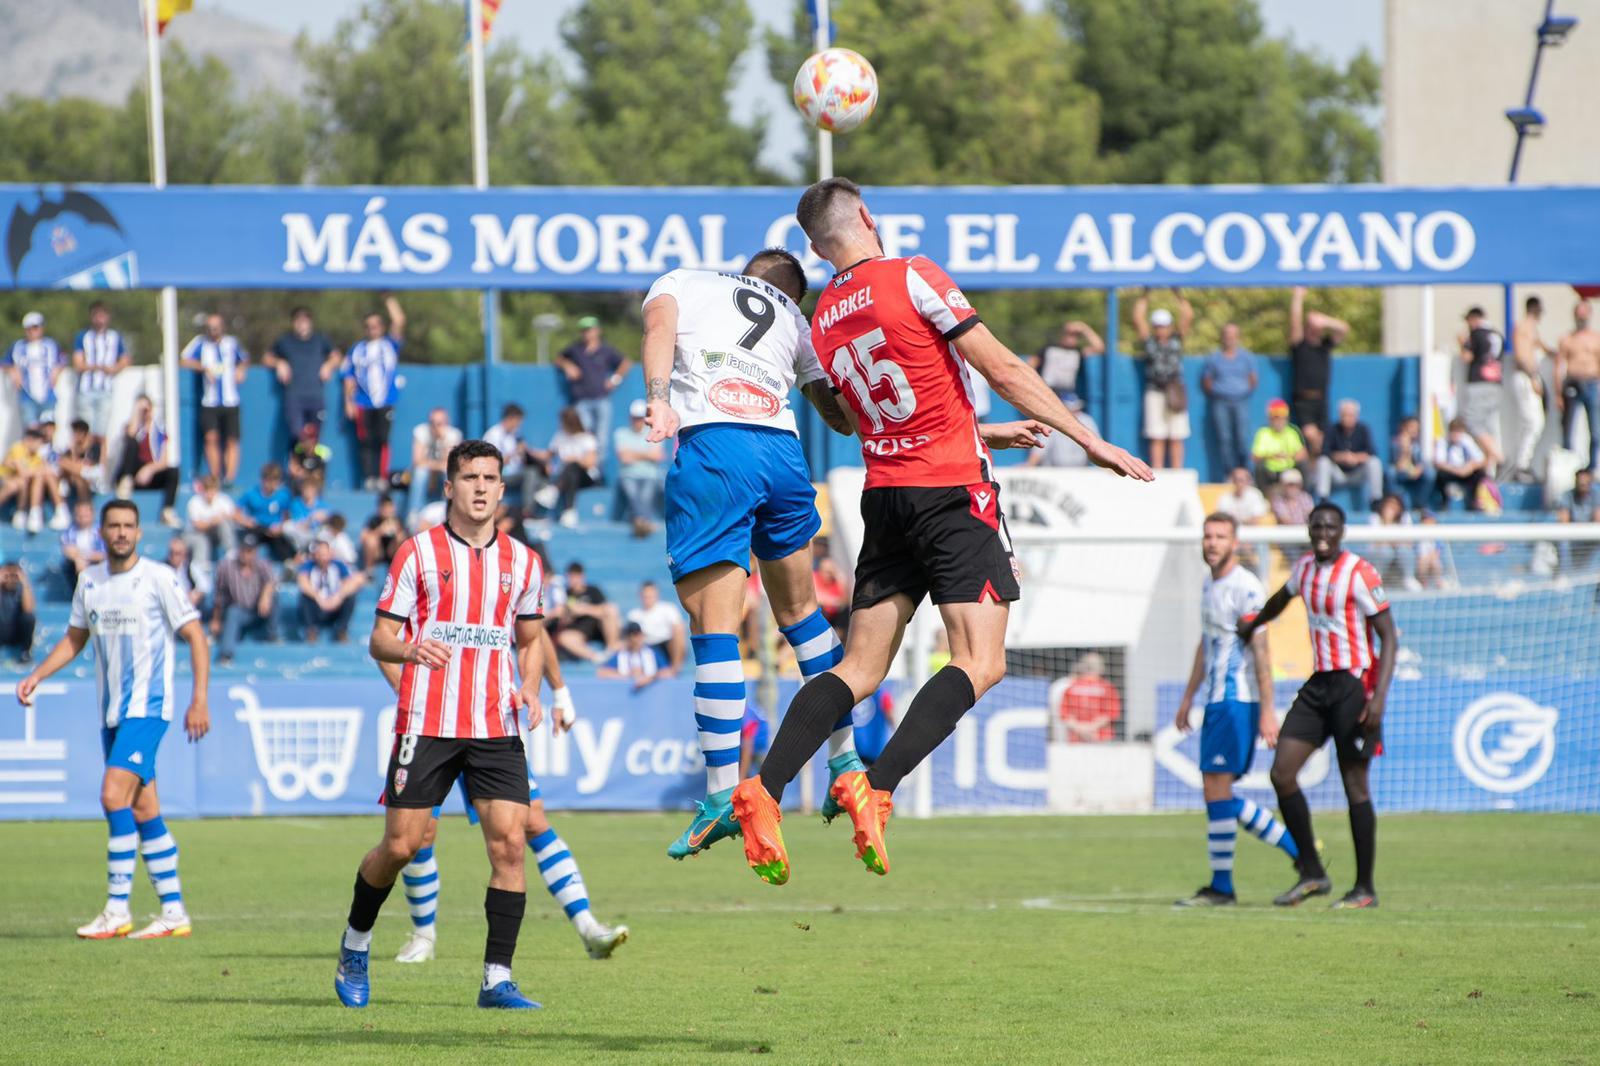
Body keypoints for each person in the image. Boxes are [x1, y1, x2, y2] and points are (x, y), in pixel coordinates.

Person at [730, 177, 1150, 884]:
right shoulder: (913, 275)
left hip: (886, 495)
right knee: (981, 661)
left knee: (858, 670)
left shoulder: (826, 314)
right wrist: (1087, 438)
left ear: (815, 247)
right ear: (866, 217)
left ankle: (762, 790)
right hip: (953, 492)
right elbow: (1005, 366)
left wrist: (980, 430)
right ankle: (878, 784)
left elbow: (868, 414)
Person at [637, 249, 860, 860]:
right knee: (804, 616)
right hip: (784, 458)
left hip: (716, 447)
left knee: (716, 629)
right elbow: (839, 418)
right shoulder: (796, 321)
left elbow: (657, 328)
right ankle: (846, 761)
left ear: (745, 272)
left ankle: (718, 799)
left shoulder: (684, 281)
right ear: (792, 291)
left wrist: (658, 397)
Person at [334, 439, 552, 1011]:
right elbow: (379, 638)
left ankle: (496, 979)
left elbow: (531, 641)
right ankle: (356, 943)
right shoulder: (417, 554)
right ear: (448, 487)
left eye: (490, 477)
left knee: (509, 846)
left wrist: (530, 687)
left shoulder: (524, 562)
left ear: (503, 488)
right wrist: (411, 651)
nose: (480, 487)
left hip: (497, 724)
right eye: (469, 477)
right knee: (402, 846)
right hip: (428, 720)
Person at [16, 499, 210, 939]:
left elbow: (196, 637)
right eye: (114, 526)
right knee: (145, 808)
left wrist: (199, 700)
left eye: (129, 526)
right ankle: (174, 910)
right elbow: (73, 640)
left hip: (149, 708)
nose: (121, 533)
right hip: (112, 713)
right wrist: (37, 676)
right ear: (101, 533)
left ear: (139, 533)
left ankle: (117, 908)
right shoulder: (90, 581)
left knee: (111, 795)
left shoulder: (158, 578)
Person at [387, 628, 626, 968]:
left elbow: (534, 631)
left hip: (488, 726)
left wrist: (560, 692)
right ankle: (423, 934)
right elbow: (385, 638)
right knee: (418, 833)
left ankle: (587, 926)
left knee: (532, 820)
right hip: (430, 726)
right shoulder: (424, 579)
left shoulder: (507, 575)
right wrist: (406, 690)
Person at [1238, 502, 1396, 910]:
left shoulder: (1360, 572)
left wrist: (1377, 698)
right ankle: (1312, 872)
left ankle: (1365, 889)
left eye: (1330, 526)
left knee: (1354, 784)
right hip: (1318, 685)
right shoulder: (1306, 568)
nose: (1323, 532)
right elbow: (1279, 599)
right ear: (1309, 530)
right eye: (1317, 526)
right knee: (1282, 772)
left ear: (1341, 531)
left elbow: (1390, 638)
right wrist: (1253, 622)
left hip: (1353, 684)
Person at [1173, 513, 1299, 907]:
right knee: (1216, 791)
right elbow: (1204, 643)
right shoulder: (1209, 585)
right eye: (1207, 535)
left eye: (1220, 536)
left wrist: (1267, 709)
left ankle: (1233, 882)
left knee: (1218, 789)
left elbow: (1261, 649)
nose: (1211, 542)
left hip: (1237, 699)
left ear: (1235, 542)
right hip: (1215, 700)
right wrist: (1188, 696)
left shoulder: (1245, 588)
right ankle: (1297, 854)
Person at [342, 296, 405, 492]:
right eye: (369, 325)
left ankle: (381, 476)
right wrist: (348, 401)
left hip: (385, 400)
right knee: (366, 441)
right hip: (363, 402)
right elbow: (349, 376)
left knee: (383, 439)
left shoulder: (389, 345)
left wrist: (389, 299)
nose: (373, 328)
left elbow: (399, 321)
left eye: (376, 325)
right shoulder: (357, 349)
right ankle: (369, 477)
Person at [180, 313, 249, 486]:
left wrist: (241, 370)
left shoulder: (232, 343)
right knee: (211, 438)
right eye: (210, 327)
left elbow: (244, 360)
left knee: (232, 439)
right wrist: (203, 368)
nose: (213, 330)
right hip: (209, 401)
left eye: (216, 326)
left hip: (230, 400)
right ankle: (215, 476)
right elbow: (184, 360)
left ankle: (230, 478)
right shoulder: (200, 343)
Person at [1133, 288, 1194, 470]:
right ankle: (1157, 471)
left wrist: (1178, 295)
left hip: (1174, 390)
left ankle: (1177, 471)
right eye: (1158, 325)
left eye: (1164, 325)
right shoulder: (1149, 342)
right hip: (1155, 390)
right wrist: (1145, 294)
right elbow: (1138, 318)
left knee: (1177, 434)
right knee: (1156, 434)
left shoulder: (1177, 340)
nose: (1161, 329)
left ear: (1170, 326)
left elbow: (1188, 316)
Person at [1287, 286, 1350, 457]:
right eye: (1312, 328)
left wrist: (1325, 320)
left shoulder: (1324, 347)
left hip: (1321, 399)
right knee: (1310, 434)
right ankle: (1314, 465)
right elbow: (1295, 323)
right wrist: (1298, 297)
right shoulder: (1300, 347)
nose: (1315, 332)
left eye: (1318, 329)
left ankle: (1317, 466)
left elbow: (1344, 328)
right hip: (1303, 399)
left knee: (1323, 438)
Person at [265, 307, 343, 442]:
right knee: (297, 436)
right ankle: (296, 463)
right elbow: (267, 358)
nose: (301, 323)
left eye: (305, 320)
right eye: (298, 320)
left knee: (315, 438)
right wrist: (279, 363)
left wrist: (328, 365)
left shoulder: (320, 340)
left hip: (316, 396)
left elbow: (337, 357)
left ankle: (313, 463)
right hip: (294, 397)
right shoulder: (285, 341)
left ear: (310, 322)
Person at [558, 315, 630, 458]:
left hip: (601, 399)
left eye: (589, 330)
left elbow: (625, 362)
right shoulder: (575, 349)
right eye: (583, 330)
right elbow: (559, 358)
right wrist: (568, 366)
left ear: (597, 331)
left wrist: (614, 380)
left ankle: (596, 472)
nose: (586, 333)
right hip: (581, 400)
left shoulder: (606, 350)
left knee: (601, 439)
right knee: (583, 436)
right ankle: (584, 470)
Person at [111, 397, 180, 529]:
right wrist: (137, 413)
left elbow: (164, 461)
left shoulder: (159, 431)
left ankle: (167, 510)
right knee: (131, 444)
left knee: (173, 471)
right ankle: (126, 482)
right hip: (134, 470)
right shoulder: (133, 429)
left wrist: (149, 469)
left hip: (150, 472)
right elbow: (131, 435)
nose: (146, 413)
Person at [1201, 322, 1259, 476]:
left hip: (1241, 401)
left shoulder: (1246, 357)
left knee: (1242, 438)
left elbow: (1253, 379)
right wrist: (1220, 391)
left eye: (1233, 335)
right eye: (1227, 335)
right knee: (1225, 439)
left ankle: (1246, 474)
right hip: (1221, 402)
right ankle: (1230, 474)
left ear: (1237, 337)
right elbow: (1207, 380)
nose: (1229, 339)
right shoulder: (1214, 358)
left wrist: (1241, 391)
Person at [211, 534, 278, 666]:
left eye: (250, 551)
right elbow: (219, 596)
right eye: (244, 550)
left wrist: (265, 596)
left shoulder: (262, 564)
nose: (246, 554)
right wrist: (216, 619)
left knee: (274, 598)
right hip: (239, 611)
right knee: (233, 611)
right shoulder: (226, 567)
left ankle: (272, 635)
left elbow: (271, 581)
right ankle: (226, 654)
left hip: (258, 611)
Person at [1457, 306, 1506, 475]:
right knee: (1488, 425)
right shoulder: (1497, 334)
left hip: (1480, 383)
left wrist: (1462, 343)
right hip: (1496, 383)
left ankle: (1498, 458)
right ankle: (1490, 465)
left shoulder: (1477, 334)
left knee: (1472, 421)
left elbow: (1467, 357)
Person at [73, 302, 131, 443]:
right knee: (85, 434)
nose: (100, 318)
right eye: (96, 315)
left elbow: (125, 360)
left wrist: (113, 368)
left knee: (102, 433)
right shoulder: (83, 336)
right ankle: (86, 463)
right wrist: (95, 367)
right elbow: (78, 363)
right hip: (85, 389)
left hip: (106, 389)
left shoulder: (115, 336)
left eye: (102, 315)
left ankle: (100, 463)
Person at [1507, 297, 1550, 482]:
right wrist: (1532, 377)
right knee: (1533, 422)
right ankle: (1521, 465)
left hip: (1529, 377)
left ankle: (1524, 463)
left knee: (1532, 423)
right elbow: (1521, 355)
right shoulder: (1524, 326)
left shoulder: (1531, 329)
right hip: (1525, 378)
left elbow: (1542, 347)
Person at [1314, 400, 1383, 512]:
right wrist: (1342, 457)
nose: (1347, 418)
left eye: (1350, 415)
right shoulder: (1332, 429)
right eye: (1344, 415)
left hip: (1357, 473)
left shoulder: (1363, 429)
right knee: (1323, 462)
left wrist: (1355, 458)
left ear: (1356, 416)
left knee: (1374, 462)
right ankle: (1323, 499)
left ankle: (1376, 500)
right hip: (1338, 474)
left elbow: (1372, 451)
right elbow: (1325, 451)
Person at [1556, 299, 1600, 473]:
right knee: (1568, 429)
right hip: (1572, 383)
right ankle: (1569, 468)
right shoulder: (1567, 339)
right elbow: (1559, 365)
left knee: (1595, 429)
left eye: (1584, 315)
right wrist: (1558, 392)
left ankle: (1592, 468)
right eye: (1578, 315)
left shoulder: (1595, 338)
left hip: (1591, 384)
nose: (1581, 319)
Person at [547, 561, 620, 662]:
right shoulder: (565, 594)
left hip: (598, 628)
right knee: (564, 638)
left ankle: (612, 650)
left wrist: (584, 609)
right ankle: (597, 657)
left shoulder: (593, 590)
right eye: (571, 577)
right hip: (579, 630)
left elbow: (606, 609)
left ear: (582, 576)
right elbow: (562, 618)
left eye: (576, 576)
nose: (574, 580)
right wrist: (569, 614)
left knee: (611, 609)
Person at [541, 407, 600, 529]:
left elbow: (591, 462)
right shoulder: (559, 436)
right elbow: (548, 455)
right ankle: (568, 511)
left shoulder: (587, 438)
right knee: (569, 472)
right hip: (565, 477)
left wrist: (575, 459)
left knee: (572, 467)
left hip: (586, 477)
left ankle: (554, 491)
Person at [613, 399, 665, 536]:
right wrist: (646, 455)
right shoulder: (621, 433)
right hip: (628, 475)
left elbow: (657, 456)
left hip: (649, 475)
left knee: (645, 495)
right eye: (635, 418)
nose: (637, 421)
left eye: (640, 418)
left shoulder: (653, 431)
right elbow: (624, 457)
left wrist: (633, 454)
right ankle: (643, 522)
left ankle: (639, 521)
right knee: (633, 493)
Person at [482, 403, 546, 515]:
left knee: (542, 478)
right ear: (510, 418)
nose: (519, 425)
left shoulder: (515, 435)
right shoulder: (493, 435)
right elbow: (493, 462)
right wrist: (515, 452)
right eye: (518, 421)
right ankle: (528, 511)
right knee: (530, 474)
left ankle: (545, 499)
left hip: (517, 473)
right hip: (501, 474)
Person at [295, 538, 363, 643]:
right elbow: (303, 583)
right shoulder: (309, 566)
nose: (323, 558)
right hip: (316, 606)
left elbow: (351, 583)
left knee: (351, 597)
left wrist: (338, 596)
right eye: (319, 554)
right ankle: (311, 631)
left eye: (325, 554)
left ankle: (342, 630)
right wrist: (318, 598)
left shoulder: (338, 565)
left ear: (331, 554)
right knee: (304, 597)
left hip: (334, 604)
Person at [2, 426, 67, 533]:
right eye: (38, 442)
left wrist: (41, 471)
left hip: (19, 484)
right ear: (29, 440)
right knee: (17, 483)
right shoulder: (18, 448)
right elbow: (23, 472)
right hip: (4, 480)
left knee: (27, 481)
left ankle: (29, 513)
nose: (40, 445)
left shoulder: (36, 456)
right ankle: (23, 512)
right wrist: (39, 471)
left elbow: (47, 470)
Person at [6, 311, 65, 427]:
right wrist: (12, 370)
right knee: (31, 430)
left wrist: (58, 370)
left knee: (48, 429)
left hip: (48, 395)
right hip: (26, 396)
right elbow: (5, 362)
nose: (32, 331)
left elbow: (63, 359)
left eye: (35, 327)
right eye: (29, 328)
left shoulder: (51, 345)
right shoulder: (18, 346)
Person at [407, 408, 463, 525]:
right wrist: (437, 465)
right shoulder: (421, 432)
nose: (435, 426)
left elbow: (451, 463)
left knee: (449, 473)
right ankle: (414, 515)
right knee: (420, 473)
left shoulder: (454, 435)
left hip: (441, 473)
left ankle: (450, 513)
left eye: (439, 423)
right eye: (432, 422)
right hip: (426, 473)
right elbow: (417, 461)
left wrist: (442, 440)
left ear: (446, 423)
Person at [1031, 319, 1105, 405]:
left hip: (1067, 395)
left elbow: (1099, 347)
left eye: (1076, 335)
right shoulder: (1049, 348)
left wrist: (1084, 328)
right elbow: (1031, 364)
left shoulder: (1078, 352)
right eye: (1069, 334)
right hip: (1046, 390)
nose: (1072, 337)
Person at [234, 462, 295, 563]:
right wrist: (246, 521)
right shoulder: (252, 493)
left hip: (274, 530)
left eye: (275, 480)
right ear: (262, 480)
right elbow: (235, 513)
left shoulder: (284, 495)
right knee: (248, 541)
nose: (271, 484)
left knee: (283, 542)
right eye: (268, 480)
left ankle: (289, 564)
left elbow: (287, 514)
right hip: (257, 528)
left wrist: (280, 526)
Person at [1054, 651, 1122, 743]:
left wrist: (1081, 729)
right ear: (1101, 668)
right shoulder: (1107, 688)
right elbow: (1111, 714)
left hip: (1077, 738)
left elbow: (1065, 715)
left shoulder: (1071, 688)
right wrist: (1091, 728)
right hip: (1101, 738)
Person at [626, 580, 685, 672]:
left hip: (666, 645)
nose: (648, 599)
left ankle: (675, 668)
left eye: (651, 596)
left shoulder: (668, 609)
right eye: (645, 596)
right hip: (645, 646)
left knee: (678, 633)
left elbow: (678, 629)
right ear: (640, 596)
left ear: (657, 595)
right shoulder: (634, 614)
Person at [1250, 398, 1309, 490]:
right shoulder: (1263, 432)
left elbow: (1303, 454)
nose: (1279, 421)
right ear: (1270, 419)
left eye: (1282, 418)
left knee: (1303, 464)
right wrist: (1272, 456)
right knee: (1259, 468)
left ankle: (1305, 494)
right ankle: (1263, 496)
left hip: (1289, 468)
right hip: (1270, 471)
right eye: (1276, 418)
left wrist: (1288, 456)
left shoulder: (1292, 432)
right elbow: (1255, 457)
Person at [1025, 399, 1101, 468]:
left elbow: (1097, 446)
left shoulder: (1086, 420)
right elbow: (1040, 448)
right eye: (1071, 410)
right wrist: (1030, 465)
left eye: (1076, 410)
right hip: (1056, 471)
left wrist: (1105, 468)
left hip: (1080, 471)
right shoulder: (1050, 421)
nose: (1075, 414)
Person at [1369, 494, 1422, 591]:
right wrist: (1387, 522)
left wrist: (1392, 541)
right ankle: (1377, 579)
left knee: (1404, 550)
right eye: (1390, 504)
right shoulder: (1375, 518)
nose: (1392, 507)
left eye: (1395, 504)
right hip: (1379, 552)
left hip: (1399, 550)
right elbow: (1377, 542)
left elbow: (1409, 542)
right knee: (1386, 551)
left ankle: (1409, 578)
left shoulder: (1405, 517)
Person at [183, 474, 237, 569]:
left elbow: (233, 516)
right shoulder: (194, 502)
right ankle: (199, 567)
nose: (210, 494)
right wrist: (212, 521)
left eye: (213, 490)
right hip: (194, 534)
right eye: (207, 490)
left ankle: (231, 552)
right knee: (202, 540)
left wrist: (222, 518)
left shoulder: (224, 500)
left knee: (224, 524)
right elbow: (197, 525)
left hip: (215, 534)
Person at [1434, 417, 1488, 509]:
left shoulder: (1467, 440)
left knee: (1480, 474)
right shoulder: (1443, 441)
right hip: (1450, 472)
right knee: (1440, 475)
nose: (1456, 435)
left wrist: (1469, 467)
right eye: (1454, 432)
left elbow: (1481, 459)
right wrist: (1456, 470)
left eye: (1458, 432)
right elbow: (1439, 463)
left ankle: (1472, 502)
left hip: (1465, 471)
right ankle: (1444, 502)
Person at [1387, 415, 1434, 512]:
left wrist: (1418, 469)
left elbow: (1422, 462)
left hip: (1415, 472)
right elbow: (1398, 465)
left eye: (1417, 428)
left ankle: (1420, 504)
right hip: (1401, 472)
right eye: (1412, 427)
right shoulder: (1395, 443)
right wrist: (1405, 449)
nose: (1415, 430)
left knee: (1430, 473)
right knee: (1390, 472)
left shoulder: (1418, 444)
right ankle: (1396, 502)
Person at [598, 622, 668, 687]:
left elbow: (668, 672)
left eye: (637, 634)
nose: (635, 639)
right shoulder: (621, 655)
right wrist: (627, 676)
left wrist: (650, 678)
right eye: (632, 635)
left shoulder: (653, 653)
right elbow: (602, 672)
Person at [59, 499, 106, 595]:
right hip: (75, 566)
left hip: (95, 564)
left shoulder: (101, 531)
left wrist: (83, 557)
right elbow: (68, 550)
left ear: (92, 514)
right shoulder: (69, 531)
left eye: (85, 516)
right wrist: (78, 559)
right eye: (79, 516)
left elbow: (104, 554)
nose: (82, 519)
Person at [56, 419, 104, 506]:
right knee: (67, 466)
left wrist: (77, 465)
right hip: (76, 478)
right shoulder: (70, 450)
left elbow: (93, 466)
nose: (75, 435)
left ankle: (84, 507)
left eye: (78, 432)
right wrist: (73, 452)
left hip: (92, 480)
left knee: (79, 477)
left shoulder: (94, 448)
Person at [0, 559, 36, 663]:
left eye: (13, 575)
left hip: (16, 632)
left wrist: (24, 582)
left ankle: (25, 652)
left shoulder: (22, 589)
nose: (10, 579)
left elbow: (29, 609)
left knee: (29, 618)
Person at [286, 475, 331, 556]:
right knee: (287, 526)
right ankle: (301, 553)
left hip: (316, 534)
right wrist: (311, 519)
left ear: (315, 490)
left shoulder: (322, 505)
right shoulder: (296, 504)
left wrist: (325, 519)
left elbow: (329, 522)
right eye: (306, 489)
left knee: (326, 532)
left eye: (311, 489)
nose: (308, 492)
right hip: (302, 535)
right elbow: (297, 525)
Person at [165, 537, 210, 617]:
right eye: (171, 553)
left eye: (177, 553)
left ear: (184, 554)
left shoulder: (190, 567)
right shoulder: (162, 568)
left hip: (187, 609)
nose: (173, 557)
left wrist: (195, 595)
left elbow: (205, 585)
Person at [362, 494, 404, 572]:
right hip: (378, 553)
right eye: (384, 507)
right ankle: (369, 570)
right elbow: (363, 537)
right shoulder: (374, 520)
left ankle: (399, 568)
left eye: (389, 507)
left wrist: (397, 531)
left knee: (401, 538)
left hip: (392, 551)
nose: (386, 510)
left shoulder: (397, 520)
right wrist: (380, 531)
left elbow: (404, 537)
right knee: (370, 540)